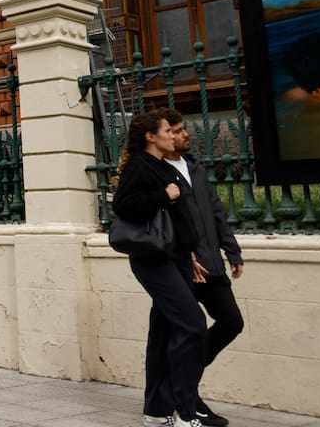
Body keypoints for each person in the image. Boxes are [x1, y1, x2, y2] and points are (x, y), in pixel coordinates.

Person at [113, 110, 206, 427]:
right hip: (154, 259)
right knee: (192, 324)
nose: (173, 134)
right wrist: (162, 195)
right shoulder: (141, 164)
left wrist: (190, 252)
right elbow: (123, 205)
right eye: (168, 130)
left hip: (176, 256)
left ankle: (155, 411)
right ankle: (185, 411)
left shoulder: (161, 165)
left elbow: (179, 217)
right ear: (151, 136)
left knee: (164, 330)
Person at [158, 109, 244, 427]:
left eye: (183, 129)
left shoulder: (195, 166)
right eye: (177, 131)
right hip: (181, 266)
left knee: (231, 321)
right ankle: (187, 400)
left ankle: (183, 382)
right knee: (185, 332)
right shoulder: (156, 173)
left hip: (210, 263)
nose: (185, 134)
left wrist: (231, 250)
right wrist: (181, 253)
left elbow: (215, 209)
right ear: (161, 137)